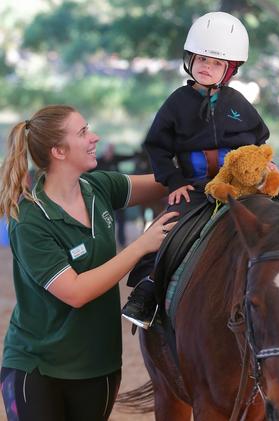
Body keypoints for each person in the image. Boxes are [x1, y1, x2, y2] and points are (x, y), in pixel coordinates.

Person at [0, 105, 178, 421]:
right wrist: (140, 247)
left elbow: (166, 182)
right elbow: (76, 292)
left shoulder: (98, 187)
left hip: (100, 365)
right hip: (38, 368)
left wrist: (221, 163)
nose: (94, 137)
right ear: (58, 151)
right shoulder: (31, 219)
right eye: (83, 132)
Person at [121, 11, 270, 329]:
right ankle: (149, 290)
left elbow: (260, 138)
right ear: (189, 59)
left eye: (216, 63)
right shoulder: (176, 102)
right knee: (168, 230)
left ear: (230, 69)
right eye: (201, 58)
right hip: (195, 187)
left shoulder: (239, 103)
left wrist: (259, 164)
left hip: (241, 188)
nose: (206, 66)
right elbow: (157, 147)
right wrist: (173, 180)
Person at [95, 143, 134, 247]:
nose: (111, 152)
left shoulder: (115, 158)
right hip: (104, 197)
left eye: (112, 150)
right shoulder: (98, 161)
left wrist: (137, 154)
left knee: (121, 219)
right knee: (105, 221)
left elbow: (128, 157)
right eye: (109, 150)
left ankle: (122, 241)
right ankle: (106, 244)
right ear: (105, 151)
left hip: (117, 195)